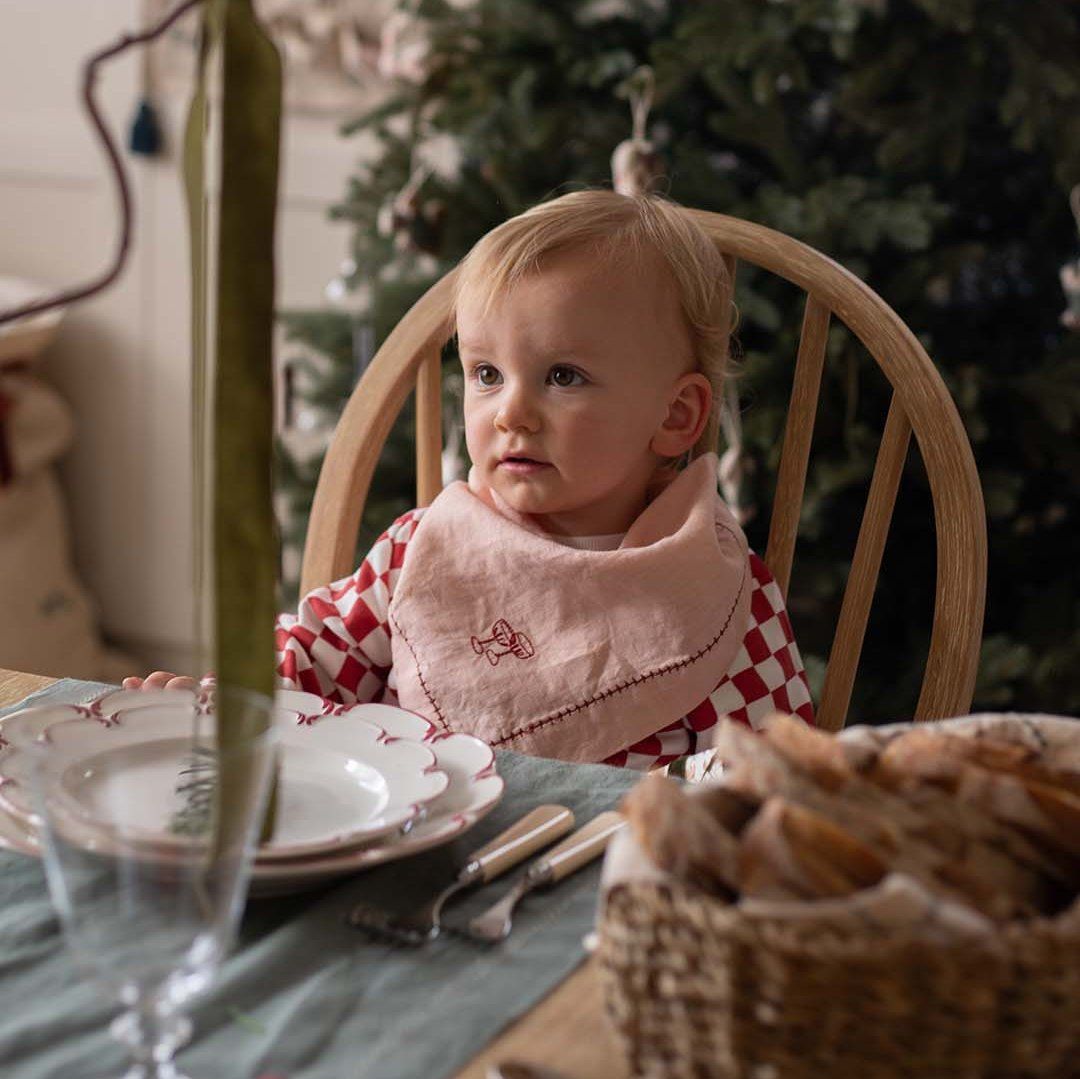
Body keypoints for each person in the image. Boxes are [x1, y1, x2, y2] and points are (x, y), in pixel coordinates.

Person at [125, 190, 814, 768]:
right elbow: (313, 660)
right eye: (486, 373)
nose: (511, 411)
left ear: (676, 415)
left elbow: (770, 775)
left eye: (564, 376)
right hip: (409, 856)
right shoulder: (429, 546)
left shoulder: (715, 591)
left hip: (597, 885)